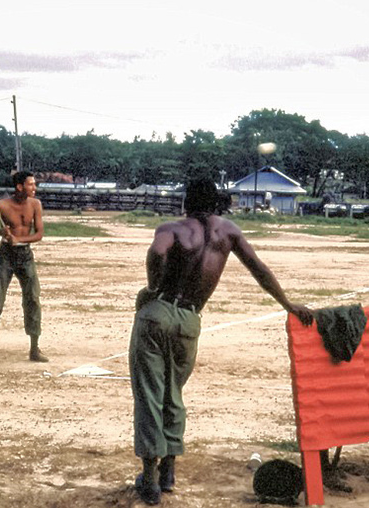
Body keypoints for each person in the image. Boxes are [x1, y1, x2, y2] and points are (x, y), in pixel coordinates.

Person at [129, 177, 313, 505]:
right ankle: (169, 471)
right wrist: (288, 304)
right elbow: (259, 268)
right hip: (189, 319)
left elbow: (157, 253)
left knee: (149, 394)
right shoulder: (228, 231)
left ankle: (150, 478)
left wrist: (153, 287)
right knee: (174, 393)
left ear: (186, 201)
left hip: (157, 313)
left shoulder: (171, 227)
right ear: (216, 203)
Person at [0, 171, 48, 365]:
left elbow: (39, 234)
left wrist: (19, 239)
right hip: (5, 257)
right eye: (31, 185)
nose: (34, 188)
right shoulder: (1, 206)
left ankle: (34, 348)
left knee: (33, 299)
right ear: (19, 186)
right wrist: (1, 232)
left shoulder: (35, 205)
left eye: (34, 184)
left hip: (25, 256)